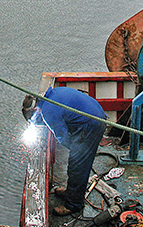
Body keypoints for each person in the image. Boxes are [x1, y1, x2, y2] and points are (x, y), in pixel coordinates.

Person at [22, 88, 107, 216]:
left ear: (34, 110)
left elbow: (62, 136)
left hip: (91, 125)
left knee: (78, 165)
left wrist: (74, 150)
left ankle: (73, 205)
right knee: (75, 162)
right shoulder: (52, 95)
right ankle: (71, 192)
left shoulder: (48, 112)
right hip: (95, 113)